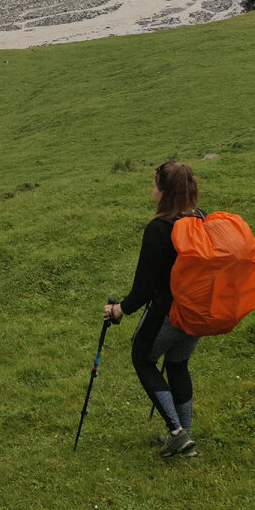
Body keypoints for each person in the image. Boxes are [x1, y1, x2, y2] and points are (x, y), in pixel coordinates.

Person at [105, 161, 203, 458]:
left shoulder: (158, 229)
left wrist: (119, 309)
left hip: (167, 313)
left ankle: (176, 432)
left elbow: (144, 287)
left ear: (163, 190)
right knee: (177, 365)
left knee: (142, 358)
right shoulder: (201, 219)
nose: (153, 190)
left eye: (154, 184)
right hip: (197, 314)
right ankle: (184, 437)